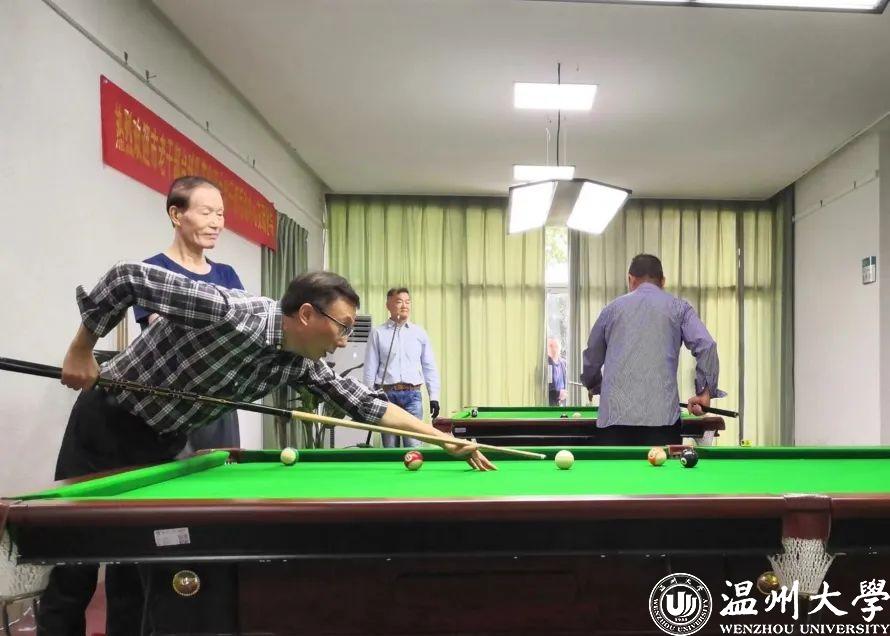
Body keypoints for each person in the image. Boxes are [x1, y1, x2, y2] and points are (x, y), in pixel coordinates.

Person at [38, 266, 493, 635]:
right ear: (307, 314)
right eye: (342, 327)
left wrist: (442, 438)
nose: (343, 340)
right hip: (107, 419)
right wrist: (81, 350)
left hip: (162, 439)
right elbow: (126, 279)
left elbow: (366, 405)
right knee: (74, 566)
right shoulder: (231, 312)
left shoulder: (299, 364)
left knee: (137, 572)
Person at [133, 175, 244, 452]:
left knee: (224, 475)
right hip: (170, 405)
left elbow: (242, 334)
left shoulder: (227, 275)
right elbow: (168, 333)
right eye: (206, 213)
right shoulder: (152, 271)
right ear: (176, 214)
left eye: (220, 214)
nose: (216, 223)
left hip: (220, 405)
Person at [580, 254, 725, 446]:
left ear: (630, 279)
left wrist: (594, 384)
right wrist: (704, 393)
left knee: (615, 468)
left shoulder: (611, 310)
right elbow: (707, 345)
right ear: (663, 281)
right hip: (663, 424)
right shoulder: (679, 309)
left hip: (613, 422)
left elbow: (592, 358)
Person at [364, 288, 441, 448]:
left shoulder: (419, 333)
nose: (404, 305)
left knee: (413, 447)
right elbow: (370, 368)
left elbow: (429, 367)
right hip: (386, 397)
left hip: (413, 396)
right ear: (388, 305)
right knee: (390, 448)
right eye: (399, 301)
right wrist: (368, 398)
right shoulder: (377, 333)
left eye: (407, 302)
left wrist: (434, 397)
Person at [546, 337, 567, 407]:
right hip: (549, 404)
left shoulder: (563, 363)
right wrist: (558, 394)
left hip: (562, 403)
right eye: (551, 346)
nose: (554, 349)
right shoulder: (545, 364)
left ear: (560, 348)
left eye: (556, 346)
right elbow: (545, 388)